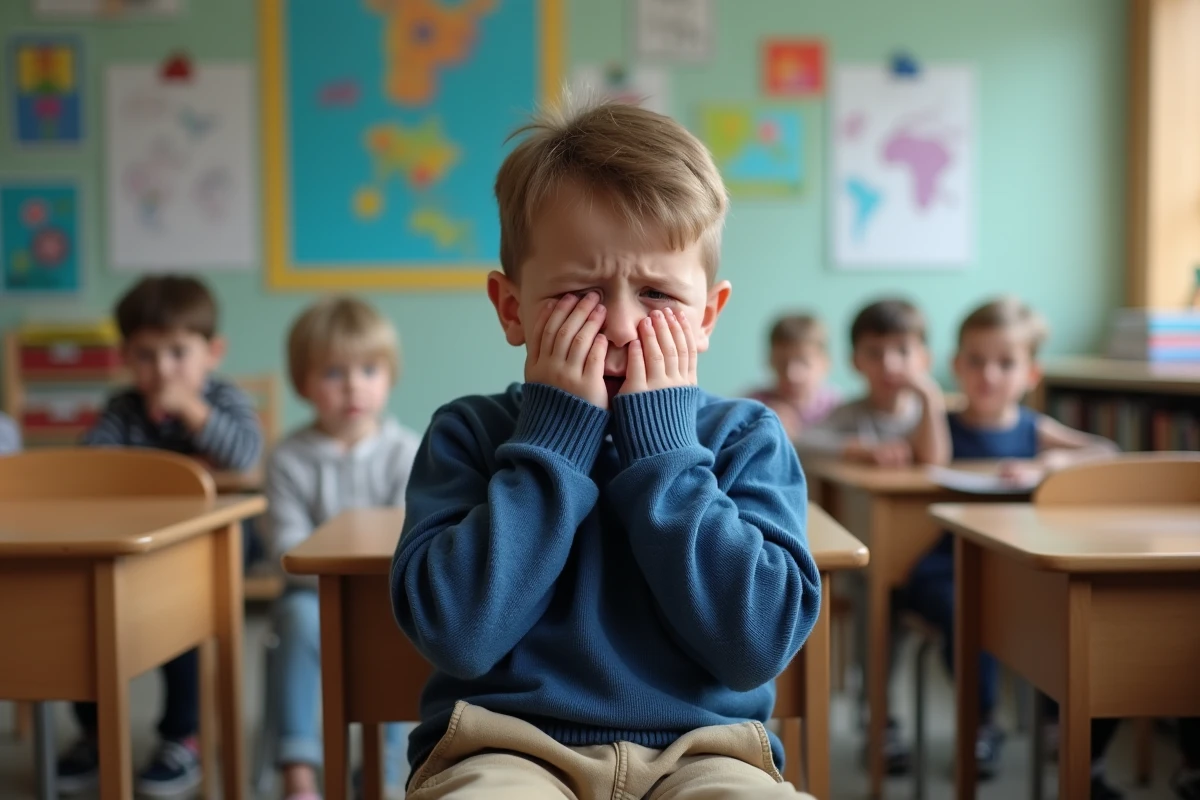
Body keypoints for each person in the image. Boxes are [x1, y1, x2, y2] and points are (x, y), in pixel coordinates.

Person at [390, 100, 822, 799]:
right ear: (513, 309)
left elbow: (754, 648)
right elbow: (459, 636)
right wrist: (552, 445)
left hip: (708, 754)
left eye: (657, 293)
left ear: (708, 315)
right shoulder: (467, 434)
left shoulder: (745, 438)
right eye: (578, 293)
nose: (621, 324)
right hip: (505, 749)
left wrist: (668, 459)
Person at [896, 297, 1120, 793]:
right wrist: (931, 403)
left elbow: (1106, 452)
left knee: (1070, 608)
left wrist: (1046, 466)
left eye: (1005, 363)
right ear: (956, 366)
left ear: (1031, 374)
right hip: (947, 566)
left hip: (1019, 566)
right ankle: (981, 723)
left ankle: (1062, 724)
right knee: (966, 608)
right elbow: (923, 458)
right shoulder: (943, 425)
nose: (988, 375)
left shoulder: (1033, 431)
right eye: (975, 361)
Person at [58, 275, 263, 798]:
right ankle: (93, 733)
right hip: (138, 545)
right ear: (126, 357)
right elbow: (87, 469)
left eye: (178, 353)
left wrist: (193, 414)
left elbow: (242, 456)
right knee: (82, 616)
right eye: (147, 356)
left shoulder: (225, 401)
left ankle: (181, 737)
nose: (163, 370)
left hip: (215, 542)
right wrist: (172, 467)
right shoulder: (124, 410)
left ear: (212, 353)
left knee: (182, 617)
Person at [264, 296, 420, 800]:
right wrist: (336, 581)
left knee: (404, 627)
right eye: (334, 372)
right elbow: (286, 549)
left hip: (385, 597)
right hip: (310, 595)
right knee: (300, 621)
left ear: (388, 376)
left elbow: (410, 537)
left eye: (368, 369)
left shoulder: (407, 452)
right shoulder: (287, 458)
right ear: (302, 382)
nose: (353, 385)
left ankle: (384, 770)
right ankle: (299, 769)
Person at [796, 298, 950, 467]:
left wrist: (929, 396)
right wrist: (860, 450)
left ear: (925, 359)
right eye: (874, 353)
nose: (889, 365)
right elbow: (800, 443)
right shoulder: (850, 413)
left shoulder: (925, 412)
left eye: (903, 351)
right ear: (855, 361)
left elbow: (935, 461)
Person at [747, 313, 840, 438]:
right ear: (770, 361)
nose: (792, 375)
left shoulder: (837, 408)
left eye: (803, 363)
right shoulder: (753, 407)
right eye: (782, 363)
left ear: (826, 363)